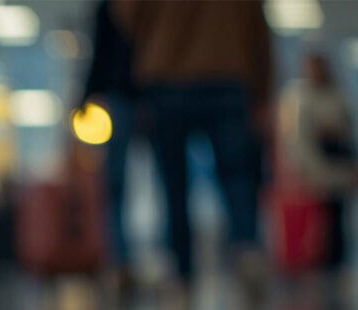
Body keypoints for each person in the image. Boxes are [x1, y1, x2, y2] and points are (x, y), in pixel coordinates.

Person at [113, 0, 272, 293]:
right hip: (227, 72)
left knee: (174, 185)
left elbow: (124, 14)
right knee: (236, 176)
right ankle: (246, 246)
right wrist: (262, 93)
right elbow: (259, 30)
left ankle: (182, 272)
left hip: (166, 77)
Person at [81, 0, 138, 294]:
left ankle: (122, 263)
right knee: (168, 182)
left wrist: (86, 95)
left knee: (115, 186)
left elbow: (99, 53)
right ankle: (128, 263)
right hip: (154, 90)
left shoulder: (110, 7)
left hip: (121, 96)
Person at [282, 53, 356, 270]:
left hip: (338, 169)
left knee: (337, 220)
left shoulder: (338, 96)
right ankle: (315, 260)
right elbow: (299, 141)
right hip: (313, 169)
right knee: (316, 222)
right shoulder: (299, 98)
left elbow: (347, 136)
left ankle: (336, 261)